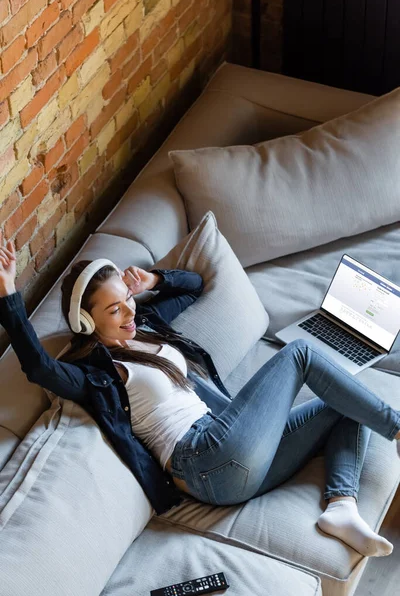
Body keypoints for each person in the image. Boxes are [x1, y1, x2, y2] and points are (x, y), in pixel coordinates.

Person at [0, 239, 399, 559]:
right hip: (203, 460)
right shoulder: (96, 372)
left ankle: (341, 506)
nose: (128, 312)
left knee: (346, 403)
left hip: (230, 455)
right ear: (87, 322)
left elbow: (194, 285)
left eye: (127, 299)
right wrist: (9, 296)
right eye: (113, 309)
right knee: (300, 355)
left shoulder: (147, 326)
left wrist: (151, 282)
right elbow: (40, 368)